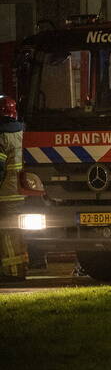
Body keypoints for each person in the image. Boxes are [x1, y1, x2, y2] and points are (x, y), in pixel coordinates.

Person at [0, 95, 27, 282]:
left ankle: (14, 271)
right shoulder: (22, 133)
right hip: (22, 192)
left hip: (6, 194)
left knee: (8, 233)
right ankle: (23, 266)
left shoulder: (2, 136)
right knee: (18, 232)